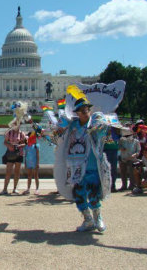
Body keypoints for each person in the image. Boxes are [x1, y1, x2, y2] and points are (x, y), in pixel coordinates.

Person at [54, 96, 116, 232]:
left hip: (92, 165)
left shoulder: (96, 122)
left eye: (86, 110)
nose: (85, 112)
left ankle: (98, 217)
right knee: (79, 194)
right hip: (75, 165)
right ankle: (87, 219)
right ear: (77, 113)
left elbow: (105, 132)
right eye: (81, 111)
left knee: (93, 193)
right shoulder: (73, 125)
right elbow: (60, 133)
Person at [1, 125, 26, 195]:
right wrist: (9, 145)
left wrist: (20, 146)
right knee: (8, 171)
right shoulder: (9, 133)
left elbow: (25, 143)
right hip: (10, 153)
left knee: (17, 171)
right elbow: (5, 142)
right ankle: (5, 188)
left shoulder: (22, 134)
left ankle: (15, 188)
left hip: (19, 153)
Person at [118, 127, 140, 191]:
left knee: (131, 173)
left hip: (132, 159)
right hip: (123, 158)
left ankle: (132, 185)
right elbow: (119, 147)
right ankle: (124, 186)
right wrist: (121, 148)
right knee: (123, 173)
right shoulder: (121, 140)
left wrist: (134, 155)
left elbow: (138, 151)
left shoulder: (136, 141)